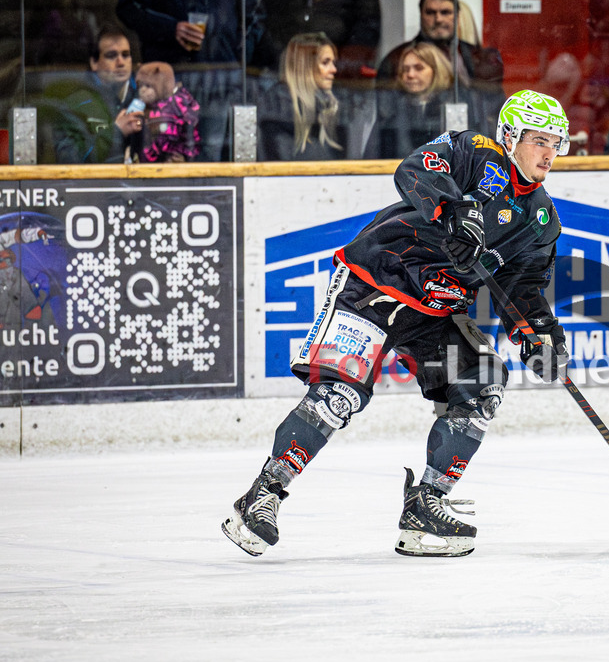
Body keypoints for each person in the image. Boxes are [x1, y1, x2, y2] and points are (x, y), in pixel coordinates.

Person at [222, 89, 572, 559]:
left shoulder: (542, 219)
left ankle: (425, 507)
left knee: (483, 382)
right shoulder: (476, 152)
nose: (548, 152)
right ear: (509, 137)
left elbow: (523, 287)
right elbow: (415, 169)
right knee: (338, 396)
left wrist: (539, 335)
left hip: (435, 311)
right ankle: (261, 496)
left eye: (557, 142)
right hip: (376, 283)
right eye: (537, 140)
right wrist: (453, 211)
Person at [116, 0, 276, 161]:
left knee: (211, 156)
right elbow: (129, 8)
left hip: (221, 78)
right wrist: (171, 29)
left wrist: (236, 57)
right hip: (171, 77)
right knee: (163, 154)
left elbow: (254, 16)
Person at [375, 0, 504, 135]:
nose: (438, 19)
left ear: (457, 15)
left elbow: (493, 107)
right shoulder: (396, 59)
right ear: (421, 15)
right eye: (430, 12)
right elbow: (386, 114)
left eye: (445, 12)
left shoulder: (478, 57)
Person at [40, 23, 144, 163]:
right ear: (94, 63)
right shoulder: (74, 105)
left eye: (125, 55)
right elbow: (69, 160)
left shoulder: (144, 99)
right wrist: (116, 133)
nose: (121, 62)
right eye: (111, 55)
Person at [257, 32, 351, 161]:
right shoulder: (276, 107)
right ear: (304, 66)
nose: (334, 69)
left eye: (333, 62)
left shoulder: (331, 107)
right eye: (325, 62)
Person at [364, 42, 456, 159]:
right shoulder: (390, 111)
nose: (410, 75)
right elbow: (371, 157)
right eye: (405, 69)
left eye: (419, 68)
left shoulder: (453, 107)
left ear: (437, 70)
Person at [133, 61, 201, 162]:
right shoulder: (139, 106)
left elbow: (191, 134)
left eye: (148, 86)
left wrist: (186, 157)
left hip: (174, 158)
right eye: (140, 86)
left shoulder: (179, 104)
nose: (142, 90)